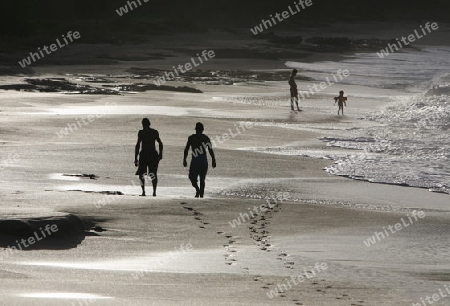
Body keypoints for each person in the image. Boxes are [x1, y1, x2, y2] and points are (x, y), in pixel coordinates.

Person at [183, 122, 216, 198]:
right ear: (202, 130)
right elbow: (210, 150)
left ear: (196, 129)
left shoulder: (191, 138)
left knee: (192, 177)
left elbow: (186, 149)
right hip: (203, 159)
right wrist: (213, 160)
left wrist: (184, 159)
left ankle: (198, 190)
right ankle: (201, 195)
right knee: (202, 178)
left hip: (195, 160)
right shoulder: (206, 138)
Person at [134, 118, 163, 196]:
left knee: (142, 174)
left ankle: (144, 191)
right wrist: (160, 154)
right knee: (153, 174)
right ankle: (154, 192)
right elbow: (160, 143)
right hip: (152, 154)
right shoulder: (154, 132)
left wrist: (135, 158)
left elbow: (138, 145)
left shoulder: (141, 132)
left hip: (145, 155)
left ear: (143, 124)